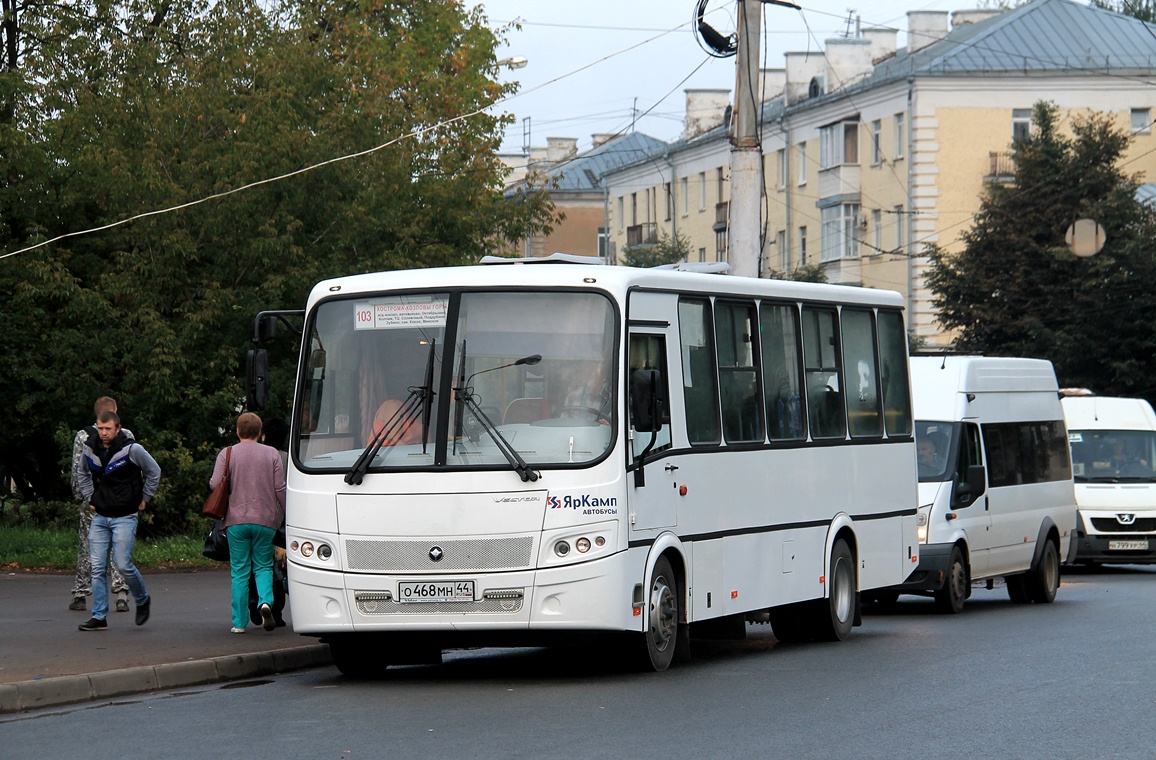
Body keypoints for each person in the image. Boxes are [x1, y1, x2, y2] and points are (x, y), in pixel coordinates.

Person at [74, 411, 160, 631]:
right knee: (97, 568)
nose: (103, 433)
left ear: (117, 428)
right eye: (101, 428)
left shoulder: (132, 449)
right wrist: (90, 497)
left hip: (125, 516)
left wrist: (145, 498)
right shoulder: (89, 448)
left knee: (123, 565)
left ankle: (142, 599)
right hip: (100, 516)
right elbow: (82, 473)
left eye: (108, 429)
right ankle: (99, 616)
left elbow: (154, 471)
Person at [211, 412, 286, 633]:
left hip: (236, 520)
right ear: (260, 433)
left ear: (237, 432)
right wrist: (286, 512)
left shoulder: (227, 453)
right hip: (266, 520)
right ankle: (265, 603)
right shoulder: (272, 453)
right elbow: (280, 488)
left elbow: (215, 483)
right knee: (263, 566)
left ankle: (239, 623)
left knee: (240, 571)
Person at [69, 396, 133, 613]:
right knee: (119, 545)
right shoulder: (125, 435)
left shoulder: (83, 436)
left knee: (87, 546)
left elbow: (78, 470)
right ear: (114, 411)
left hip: (94, 500)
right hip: (121, 500)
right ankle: (121, 594)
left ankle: (80, 593)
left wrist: (83, 498)